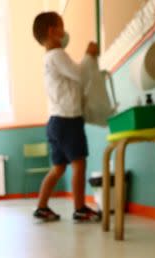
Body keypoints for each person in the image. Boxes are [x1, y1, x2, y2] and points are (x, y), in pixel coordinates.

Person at [31, 11, 102, 222]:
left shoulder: (49, 58)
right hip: (68, 120)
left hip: (55, 121)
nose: (65, 33)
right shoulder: (58, 55)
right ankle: (80, 208)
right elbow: (80, 75)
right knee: (79, 163)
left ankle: (42, 206)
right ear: (53, 32)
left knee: (58, 168)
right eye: (62, 27)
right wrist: (89, 55)